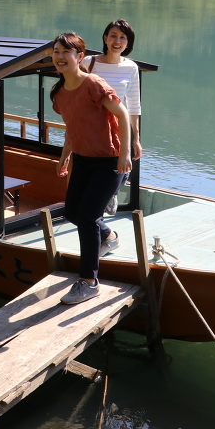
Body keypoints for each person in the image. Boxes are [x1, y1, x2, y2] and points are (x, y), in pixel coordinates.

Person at [50, 32, 132, 305]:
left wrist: (124, 154)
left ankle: (89, 282)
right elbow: (72, 128)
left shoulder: (93, 83)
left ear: (80, 56)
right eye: (56, 51)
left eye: (67, 52)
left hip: (110, 161)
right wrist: (65, 156)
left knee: (86, 217)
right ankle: (108, 236)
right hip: (83, 159)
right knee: (72, 212)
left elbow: (122, 116)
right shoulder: (59, 92)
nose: (60, 57)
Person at [83, 19, 142, 215]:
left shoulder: (131, 67)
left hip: (118, 129)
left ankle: (112, 193)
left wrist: (136, 139)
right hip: (92, 128)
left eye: (123, 38)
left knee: (121, 166)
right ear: (105, 39)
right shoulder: (89, 63)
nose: (118, 41)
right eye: (114, 36)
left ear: (128, 43)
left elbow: (133, 105)